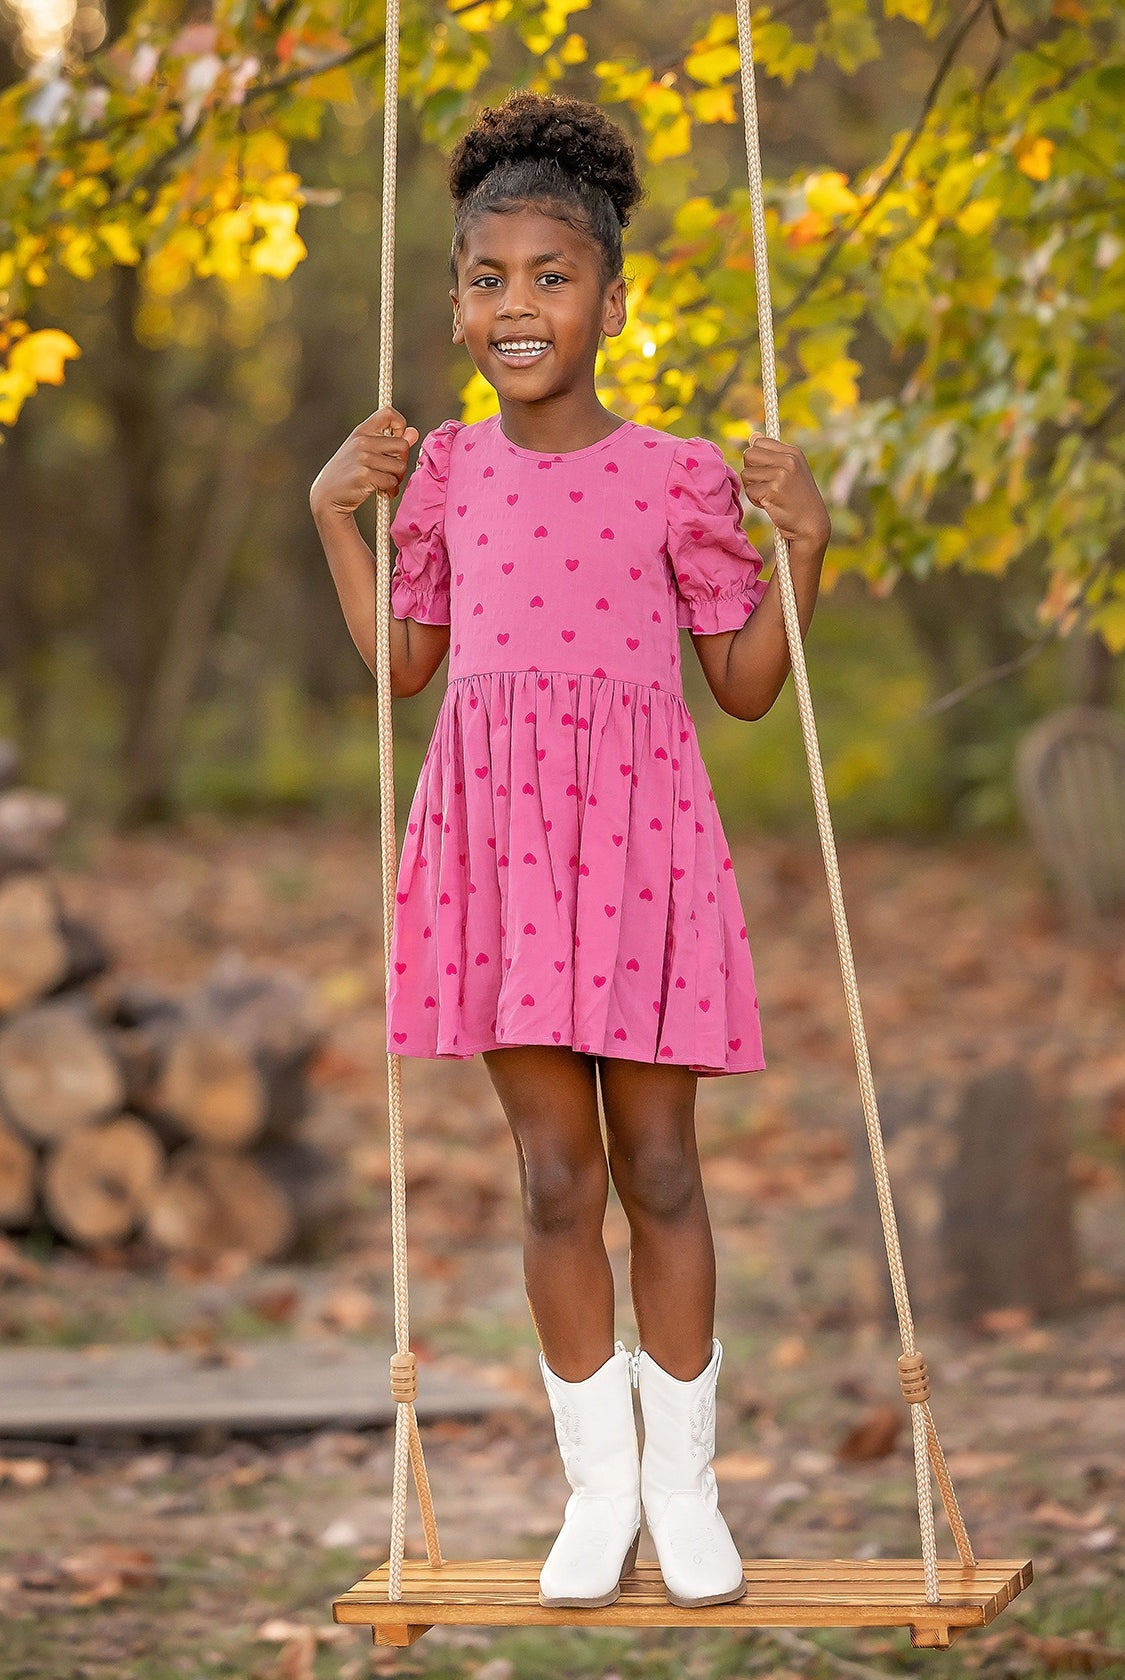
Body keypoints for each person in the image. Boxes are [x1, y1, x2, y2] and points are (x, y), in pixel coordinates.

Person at [311, 91, 831, 1613]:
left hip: (639, 844)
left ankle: (684, 1488)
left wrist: (805, 542)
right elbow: (401, 668)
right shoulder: (448, 475)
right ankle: (596, 1493)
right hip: (497, 848)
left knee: (659, 1166)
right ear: (459, 303)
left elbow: (740, 689)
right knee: (553, 1179)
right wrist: (338, 516)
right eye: (489, 280)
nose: (516, 306)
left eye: (551, 277)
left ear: (611, 296)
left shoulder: (674, 474)